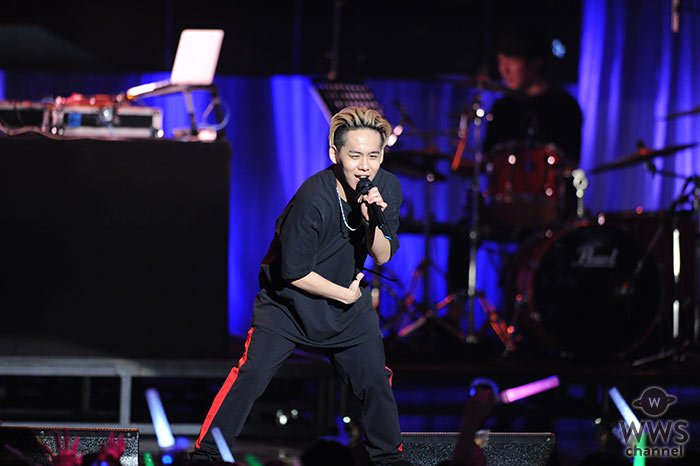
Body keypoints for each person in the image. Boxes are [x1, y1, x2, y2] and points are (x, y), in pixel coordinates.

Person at [190, 107, 412, 466]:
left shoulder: (386, 187)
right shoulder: (313, 198)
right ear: (335, 154)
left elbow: (383, 255)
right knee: (251, 375)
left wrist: (372, 220)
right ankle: (207, 455)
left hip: (347, 310)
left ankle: (388, 459)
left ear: (383, 155)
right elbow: (294, 272)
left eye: (373, 156)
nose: (364, 166)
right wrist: (344, 293)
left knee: (375, 379)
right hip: (288, 305)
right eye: (355, 155)